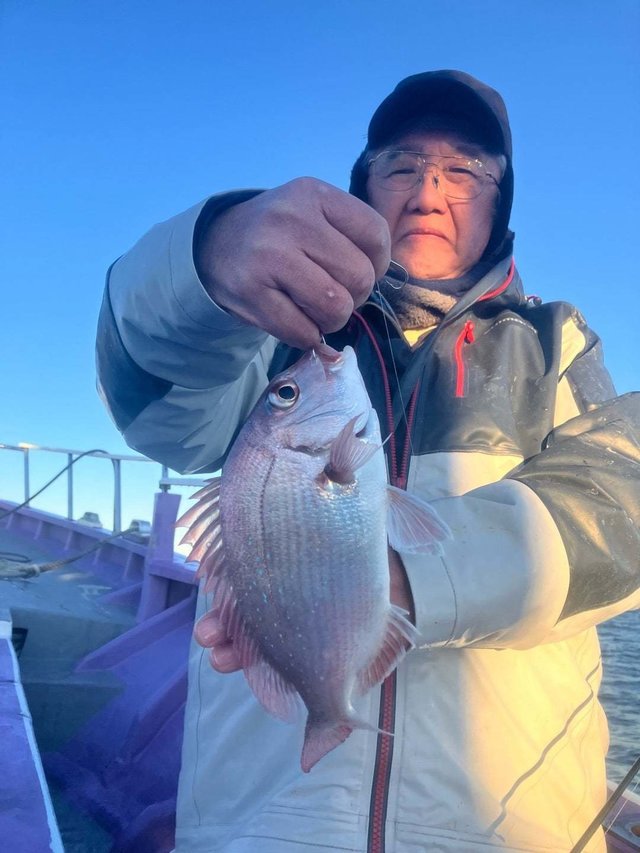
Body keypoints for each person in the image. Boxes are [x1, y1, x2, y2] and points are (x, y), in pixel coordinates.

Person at [96, 70, 640, 852]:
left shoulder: (557, 342)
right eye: (401, 167)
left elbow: (623, 504)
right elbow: (154, 408)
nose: (428, 194)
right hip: (260, 827)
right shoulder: (271, 334)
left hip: (507, 832)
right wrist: (201, 263)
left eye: (464, 171)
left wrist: (408, 579)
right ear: (362, 188)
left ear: (503, 202)